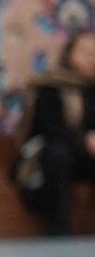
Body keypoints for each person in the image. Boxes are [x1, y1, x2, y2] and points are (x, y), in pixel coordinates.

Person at [10, 30, 95, 235]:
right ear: (70, 54)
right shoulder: (51, 86)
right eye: (86, 52)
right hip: (61, 155)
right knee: (57, 155)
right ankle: (59, 226)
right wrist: (85, 141)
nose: (91, 58)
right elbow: (48, 128)